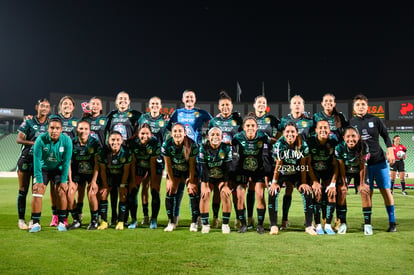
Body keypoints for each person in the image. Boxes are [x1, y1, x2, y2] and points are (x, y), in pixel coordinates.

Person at [350, 94, 397, 232]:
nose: (360, 107)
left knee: (385, 191)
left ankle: (392, 222)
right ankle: (368, 223)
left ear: (367, 106)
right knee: (367, 192)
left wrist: (390, 150)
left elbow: (386, 136)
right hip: (364, 165)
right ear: (354, 107)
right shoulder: (351, 123)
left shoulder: (375, 120)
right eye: (358, 105)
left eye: (363, 104)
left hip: (380, 162)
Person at [167, 89, 212, 225]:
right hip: (180, 153)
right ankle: (175, 215)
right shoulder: (177, 113)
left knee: (194, 186)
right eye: (187, 97)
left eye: (191, 97)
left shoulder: (201, 113)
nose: (189, 99)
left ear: (195, 99)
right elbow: (170, 128)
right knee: (178, 187)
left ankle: (197, 216)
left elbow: (213, 124)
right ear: (182, 99)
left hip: (195, 153)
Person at [269, 122, 316, 235]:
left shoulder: (303, 145)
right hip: (281, 173)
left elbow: (303, 165)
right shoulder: (279, 144)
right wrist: (274, 182)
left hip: (296, 173)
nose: (290, 134)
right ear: (284, 133)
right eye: (287, 132)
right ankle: (273, 225)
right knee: (272, 192)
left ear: (296, 133)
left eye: (292, 132)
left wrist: (304, 183)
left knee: (307, 192)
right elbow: (278, 164)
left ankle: (309, 225)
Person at [29, 117, 73, 233]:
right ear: (47, 129)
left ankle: (62, 222)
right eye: (52, 128)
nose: (54, 131)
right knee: (37, 191)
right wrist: (38, 180)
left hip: (58, 169)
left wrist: (64, 180)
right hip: (43, 169)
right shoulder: (40, 140)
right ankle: (35, 222)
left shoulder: (67, 141)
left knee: (61, 191)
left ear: (61, 130)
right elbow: (37, 161)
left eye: (57, 128)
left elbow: (66, 162)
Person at [278, 95, 314, 230]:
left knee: (306, 188)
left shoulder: (309, 122)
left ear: (303, 106)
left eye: (300, 103)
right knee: (288, 188)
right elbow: (279, 138)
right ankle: (284, 220)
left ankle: (309, 220)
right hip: (288, 160)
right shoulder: (284, 121)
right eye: (295, 103)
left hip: (304, 160)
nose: (297, 105)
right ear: (291, 106)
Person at [105, 91, 141, 225]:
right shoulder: (111, 115)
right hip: (113, 155)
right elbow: (104, 129)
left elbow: (147, 124)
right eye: (120, 98)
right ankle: (114, 216)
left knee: (130, 188)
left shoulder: (136, 115)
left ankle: (129, 218)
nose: (122, 101)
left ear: (129, 101)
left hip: (129, 155)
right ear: (116, 101)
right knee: (113, 188)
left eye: (125, 99)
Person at [208, 91, 242, 228]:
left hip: (233, 159)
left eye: (227, 105)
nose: (225, 107)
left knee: (232, 189)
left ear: (232, 106)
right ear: (219, 107)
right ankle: (216, 217)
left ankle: (238, 219)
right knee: (217, 189)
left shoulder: (238, 121)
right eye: (223, 105)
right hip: (216, 160)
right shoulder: (214, 121)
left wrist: (230, 144)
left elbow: (241, 139)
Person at [246, 95, 280, 229]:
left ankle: (273, 221)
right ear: (254, 105)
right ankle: (250, 219)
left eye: (263, 103)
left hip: (268, 159)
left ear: (266, 106)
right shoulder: (249, 119)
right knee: (251, 188)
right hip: (251, 159)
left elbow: (282, 131)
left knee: (269, 189)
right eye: (259, 102)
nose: (261, 104)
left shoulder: (271, 119)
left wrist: (274, 140)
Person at [232, 114, 270, 234]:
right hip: (242, 170)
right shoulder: (238, 137)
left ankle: (259, 225)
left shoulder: (263, 136)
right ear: (243, 127)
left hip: (258, 170)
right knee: (240, 195)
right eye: (247, 125)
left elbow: (272, 144)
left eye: (253, 125)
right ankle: (243, 225)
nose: (250, 128)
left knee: (260, 194)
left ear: (257, 127)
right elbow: (231, 147)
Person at [16, 99, 50, 229]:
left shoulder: (50, 123)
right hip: (27, 159)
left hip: (40, 163)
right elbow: (19, 139)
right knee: (23, 190)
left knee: (36, 191)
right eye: (42, 106)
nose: (44, 108)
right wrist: (35, 144)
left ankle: (33, 220)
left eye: (47, 107)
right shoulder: (29, 122)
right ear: (37, 107)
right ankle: (21, 220)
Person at [334, 126, 373, 235]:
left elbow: (362, 166)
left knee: (365, 192)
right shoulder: (339, 148)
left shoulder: (364, 146)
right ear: (343, 138)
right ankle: (343, 223)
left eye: (353, 136)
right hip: (345, 171)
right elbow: (341, 167)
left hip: (359, 171)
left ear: (359, 137)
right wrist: (344, 184)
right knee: (341, 192)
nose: (351, 139)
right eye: (348, 136)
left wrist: (362, 184)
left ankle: (367, 224)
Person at [162, 123, 199, 232]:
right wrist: (171, 180)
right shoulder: (167, 144)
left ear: (185, 133)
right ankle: (171, 222)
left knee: (192, 191)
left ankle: (194, 222)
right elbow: (167, 164)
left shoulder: (192, 145)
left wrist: (191, 181)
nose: (177, 133)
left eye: (180, 131)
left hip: (188, 170)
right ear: (171, 133)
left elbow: (192, 165)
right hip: (175, 170)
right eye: (175, 131)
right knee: (170, 190)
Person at [137, 97, 167, 227]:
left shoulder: (165, 120)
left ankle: (154, 218)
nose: (154, 105)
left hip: (158, 157)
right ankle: (145, 215)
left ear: (160, 106)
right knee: (145, 186)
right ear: (149, 105)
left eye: (157, 104)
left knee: (156, 188)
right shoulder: (143, 118)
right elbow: (137, 133)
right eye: (152, 104)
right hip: (143, 157)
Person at [49, 96, 78, 227]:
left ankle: (65, 216)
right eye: (64, 103)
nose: (67, 106)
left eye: (69, 104)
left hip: (70, 160)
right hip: (55, 159)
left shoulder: (76, 122)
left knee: (65, 189)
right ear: (60, 106)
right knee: (54, 189)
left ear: (73, 107)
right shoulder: (54, 119)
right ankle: (55, 216)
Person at [67, 119, 101, 230]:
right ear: (77, 129)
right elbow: (69, 164)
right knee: (70, 193)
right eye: (81, 128)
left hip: (91, 174)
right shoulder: (72, 142)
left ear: (90, 131)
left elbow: (97, 164)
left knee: (91, 193)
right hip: (77, 174)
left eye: (86, 129)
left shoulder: (94, 143)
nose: (83, 131)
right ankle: (76, 220)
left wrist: (94, 181)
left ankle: (94, 221)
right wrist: (70, 181)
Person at [307, 119, 339, 235]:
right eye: (320, 128)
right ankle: (318, 224)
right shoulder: (310, 142)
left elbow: (336, 165)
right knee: (317, 192)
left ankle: (328, 225)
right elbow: (308, 164)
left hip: (328, 171)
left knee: (331, 193)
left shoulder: (333, 142)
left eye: (325, 128)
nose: (323, 130)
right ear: (316, 130)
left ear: (329, 130)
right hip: (314, 171)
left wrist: (333, 184)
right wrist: (315, 181)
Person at [199, 127, 233, 233]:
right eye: (212, 134)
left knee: (225, 193)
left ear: (222, 137)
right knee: (205, 194)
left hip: (222, 177)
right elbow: (203, 168)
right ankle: (205, 224)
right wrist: (204, 185)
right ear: (208, 137)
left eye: (218, 135)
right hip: (208, 177)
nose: (215, 137)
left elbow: (228, 168)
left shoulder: (226, 148)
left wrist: (226, 185)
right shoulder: (203, 148)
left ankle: (225, 224)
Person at [128, 123, 161, 229]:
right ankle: (133, 220)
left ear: (151, 134)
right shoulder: (133, 143)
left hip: (154, 165)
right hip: (139, 166)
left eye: (147, 133)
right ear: (138, 133)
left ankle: (153, 219)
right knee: (133, 191)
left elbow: (152, 164)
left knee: (154, 190)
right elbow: (133, 163)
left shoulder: (154, 142)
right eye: (142, 133)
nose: (144, 136)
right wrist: (133, 180)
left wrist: (153, 181)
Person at [97, 131, 132, 230]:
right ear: (108, 141)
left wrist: (122, 185)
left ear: (121, 141)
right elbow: (102, 170)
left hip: (121, 176)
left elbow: (126, 171)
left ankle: (121, 221)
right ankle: (104, 221)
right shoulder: (103, 152)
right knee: (103, 194)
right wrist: (104, 185)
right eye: (112, 140)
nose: (115, 142)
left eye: (117, 140)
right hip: (108, 175)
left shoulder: (126, 152)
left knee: (123, 194)